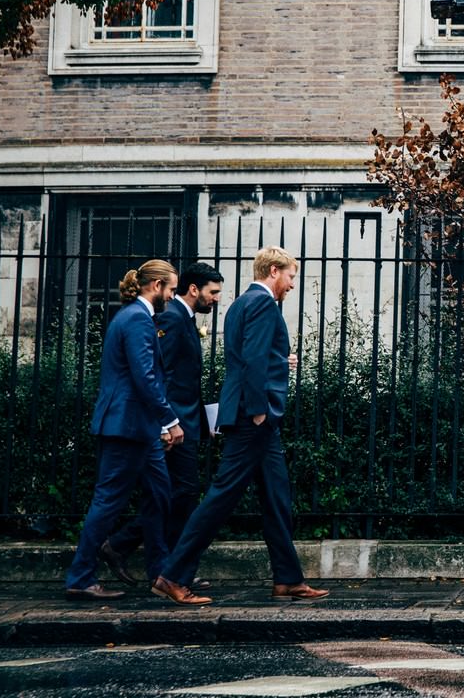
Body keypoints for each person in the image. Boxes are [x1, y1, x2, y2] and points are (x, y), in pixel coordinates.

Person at [152, 247, 328, 605]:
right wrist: (260, 409)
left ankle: (287, 579)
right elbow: (252, 360)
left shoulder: (240, 304)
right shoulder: (263, 304)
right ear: (274, 271)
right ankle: (172, 576)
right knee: (221, 497)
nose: (292, 284)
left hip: (252, 415)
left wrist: (281, 361)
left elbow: (255, 354)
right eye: (291, 276)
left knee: (276, 497)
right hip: (254, 417)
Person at [99, 262, 224, 589]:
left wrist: (203, 420)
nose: (216, 299)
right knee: (181, 494)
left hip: (187, 422)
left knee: (171, 494)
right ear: (194, 289)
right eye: (213, 292)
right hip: (175, 425)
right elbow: (159, 375)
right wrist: (165, 424)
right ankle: (141, 554)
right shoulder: (171, 318)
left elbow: (185, 380)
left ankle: (161, 566)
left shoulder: (184, 318)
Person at [64, 260, 184, 600]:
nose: (172, 297)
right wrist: (170, 421)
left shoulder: (136, 318)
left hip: (139, 427)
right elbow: (144, 377)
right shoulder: (136, 319)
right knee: (108, 501)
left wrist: (157, 424)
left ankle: (161, 573)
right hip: (126, 426)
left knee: (159, 495)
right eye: (172, 290)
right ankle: (80, 577)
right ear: (156, 285)